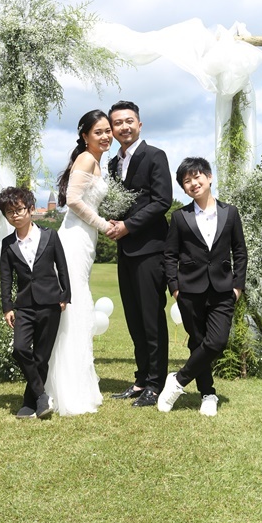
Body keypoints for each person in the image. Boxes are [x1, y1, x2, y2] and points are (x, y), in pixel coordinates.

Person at [158, 157, 247, 417]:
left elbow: (240, 251)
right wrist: (175, 287)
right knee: (198, 343)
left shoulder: (230, 213)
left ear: (209, 177)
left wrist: (237, 286)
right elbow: (170, 255)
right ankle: (208, 394)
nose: (193, 183)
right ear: (184, 189)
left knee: (217, 341)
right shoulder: (179, 217)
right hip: (189, 291)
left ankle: (177, 381)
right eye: (187, 181)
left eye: (197, 177)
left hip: (223, 289)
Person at [45, 109, 113, 416]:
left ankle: (76, 382)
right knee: (74, 305)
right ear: (85, 136)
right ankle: (68, 389)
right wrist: (103, 225)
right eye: (99, 131)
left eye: (108, 130)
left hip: (86, 240)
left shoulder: (96, 161)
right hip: (74, 238)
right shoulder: (86, 159)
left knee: (78, 303)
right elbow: (72, 200)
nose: (106, 136)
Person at [107, 100, 172, 407]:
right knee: (133, 318)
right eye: (118, 123)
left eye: (129, 121)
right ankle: (141, 379)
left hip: (150, 250)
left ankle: (156, 384)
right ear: (112, 128)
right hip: (125, 251)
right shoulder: (112, 164)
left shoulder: (155, 156)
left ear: (140, 124)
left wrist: (128, 226)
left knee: (151, 319)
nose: (124, 127)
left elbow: (162, 201)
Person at [0, 186, 71, 420]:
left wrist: (65, 296)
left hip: (51, 303)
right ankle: (41, 396)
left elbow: (62, 267)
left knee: (41, 357)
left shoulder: (50, 236)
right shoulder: (7, 244)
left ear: (30, 209)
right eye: (9, 212)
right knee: (20, 349)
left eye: (19, 209)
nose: (15, 215)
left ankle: (30, 402)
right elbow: (6, 278)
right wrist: (7, 307)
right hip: (24, 306)